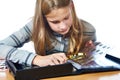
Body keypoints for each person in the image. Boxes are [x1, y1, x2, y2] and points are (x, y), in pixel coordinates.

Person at [0, 0, 96, 67]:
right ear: (43, 18)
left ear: (71, 6)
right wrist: (36, 59)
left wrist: (86, 54)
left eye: (66, 18)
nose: (63, 26)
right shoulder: (34, 27)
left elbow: (74, 58)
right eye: (55, 22)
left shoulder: (88, 31)